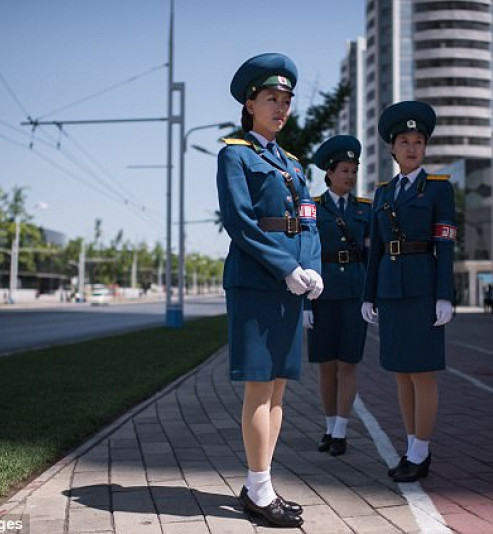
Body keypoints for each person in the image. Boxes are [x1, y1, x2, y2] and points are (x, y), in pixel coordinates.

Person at [216, 52, 322, 528]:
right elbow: (239, 222)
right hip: (257, 282)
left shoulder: (294, 165)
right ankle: (259, 492)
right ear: (249, 104)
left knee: (278, 389)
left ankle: (261, 483)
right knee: (260, 387)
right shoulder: (234, 154)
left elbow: (310, 222)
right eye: (270, 99)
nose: (280, 108)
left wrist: (312, 268)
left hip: (289, 284)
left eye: (285, 101)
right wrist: (284, 266)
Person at [360, 101, 456, 482]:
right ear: (392, 149)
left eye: (419, 141)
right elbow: (375, 250)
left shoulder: (439, 189)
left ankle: (421, 451)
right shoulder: (382, 194)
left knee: (423, 374)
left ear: (425, 147)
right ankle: (410, 446)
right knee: (400, 372)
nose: (412, 147)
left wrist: (445, 295)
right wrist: (369, 295)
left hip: (423, 288)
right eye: (404, 141)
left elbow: (446, 243)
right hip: (389, 289)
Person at [302, 135, 371, 457]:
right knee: (326, 366)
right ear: (329, 173)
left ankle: (341, 431)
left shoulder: (365, 210)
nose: (350, 176)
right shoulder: (313, 209)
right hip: (322, 294)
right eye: (344, 170)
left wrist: (372, 297)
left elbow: (374, 255)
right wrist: (305, 302)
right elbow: (305, 254)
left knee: (349, 364)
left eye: (353, 170)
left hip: (354, 294)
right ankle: (329, 427)